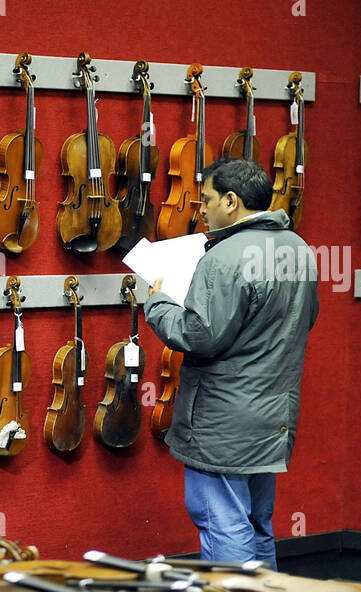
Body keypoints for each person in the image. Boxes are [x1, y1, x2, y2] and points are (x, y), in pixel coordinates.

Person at [143, 157, 319, 570]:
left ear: (231, 200)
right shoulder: (298, 248)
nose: (199, 208)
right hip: (273, 415)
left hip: (221, 421)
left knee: (221, 521)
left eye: (205, 199)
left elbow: (199, 336)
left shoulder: (222, 258)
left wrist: (157, 302)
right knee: (257, 522)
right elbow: (306, 319)